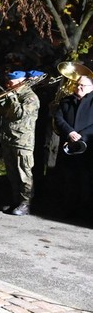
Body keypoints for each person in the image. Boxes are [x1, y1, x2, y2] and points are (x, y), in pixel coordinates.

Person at [0, 71, 40, 216]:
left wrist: (12, 98)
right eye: (8, 83)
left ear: (20, 82)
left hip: (23, 142)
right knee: (12, 174)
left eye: (11, 83)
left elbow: (19, 113)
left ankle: (25, 203)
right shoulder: (13, 94)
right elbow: (0, 112)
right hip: (8, 139)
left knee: (24, 174)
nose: (8, 85)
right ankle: (16, 200)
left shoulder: (30, 97)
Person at [52, 74, 93, 218]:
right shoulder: (66, 100)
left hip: (88, 146)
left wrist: (81, 135)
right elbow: (59, 118)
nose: (79, 87)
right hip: (68, 145)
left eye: (83, 85)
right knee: (68, 177)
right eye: (77, 84)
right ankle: (67, 208)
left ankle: (85, 210)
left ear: (91, 87)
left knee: (85, 178)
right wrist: (70, 132)